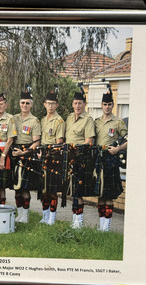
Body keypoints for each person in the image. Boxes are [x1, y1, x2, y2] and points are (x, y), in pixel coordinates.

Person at [94, 92, 127, 232]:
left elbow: (129, 139)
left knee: (109, 196)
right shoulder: (96, 122)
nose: (107, 107)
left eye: (109, 105)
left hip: (111, 160)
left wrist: (118, 148)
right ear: (101, 105)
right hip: (98, 159)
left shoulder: (118, 122)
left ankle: (106, 228)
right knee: (100, 194)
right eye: (105, 105)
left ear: (113, 105)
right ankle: (101, 226)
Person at [65, 91, 95, 229]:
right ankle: (74, 219)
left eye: (80, 103)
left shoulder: (88, 119)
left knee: (78, 191)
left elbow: (90, 141)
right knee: (72, 190)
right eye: (75, 103)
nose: (77, 106)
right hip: (69, 158)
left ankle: (79, 221)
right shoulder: (69, 118)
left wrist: (76, 147)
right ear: (72, 104)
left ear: (84, 104)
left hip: (81, 158)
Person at [11, 91, 41, 223]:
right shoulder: (14, 118)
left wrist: (23, 153)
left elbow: (37, 142)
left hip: (27, 154)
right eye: (22, 102)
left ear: (31, 105)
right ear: (19, 104)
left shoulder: (34, 121)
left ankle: (26, 216)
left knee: (25, 187)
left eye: (27, 103)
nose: (24, 105)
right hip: (14, 153)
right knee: (16, 187)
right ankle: (20, 214)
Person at [39, 91, 65, 225]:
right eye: (48, 103)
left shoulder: (59, 121)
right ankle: (45, 216)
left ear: (57, 105)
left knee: (53, 190)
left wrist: (48, 153)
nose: (50, 106)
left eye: (53, 104)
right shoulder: (43, 120)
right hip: (43, 157)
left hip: (54, 158)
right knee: (44, 189)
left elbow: (59, 142)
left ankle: (52, 218)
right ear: (44, 104)